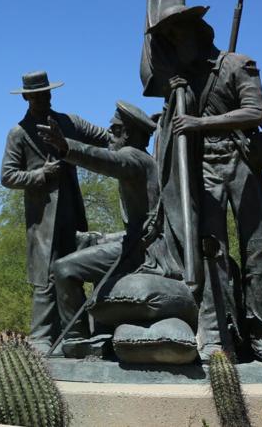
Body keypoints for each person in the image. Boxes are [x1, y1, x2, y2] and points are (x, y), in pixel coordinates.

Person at [149, 8, 262, 365]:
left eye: (179, 38)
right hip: (204, 169)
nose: (176, 47)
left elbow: (255, 112)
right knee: (212, 253)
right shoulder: (186, 79)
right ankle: (220, 334)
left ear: (198, 35)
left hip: (241, 162)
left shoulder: (237, 65)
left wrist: (200, 122)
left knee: (257, 251)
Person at [37, 101, 159, 358]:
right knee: (89, 243)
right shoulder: (146, 160)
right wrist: (101, 238)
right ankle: (100, 332)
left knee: (64, 269)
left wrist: (66, 147)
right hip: (141, 242)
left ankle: (76, 341)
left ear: (129, 134)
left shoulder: (133, 157)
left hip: (145, 253)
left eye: (114, 130)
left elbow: (107, 161)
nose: (108, 135)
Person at [0, 71, 109, 355]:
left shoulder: (68, 122)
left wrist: (132, 133)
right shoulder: (19, 133)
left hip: (71, 209)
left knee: (75, 269)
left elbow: (104, 138)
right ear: (26, 97)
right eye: (36, 95)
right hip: (43, 217)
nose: (43, 99)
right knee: (46, 277)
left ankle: (76, 335)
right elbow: (8, 176)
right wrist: (41, 174)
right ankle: (41, 340)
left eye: (46, 93)